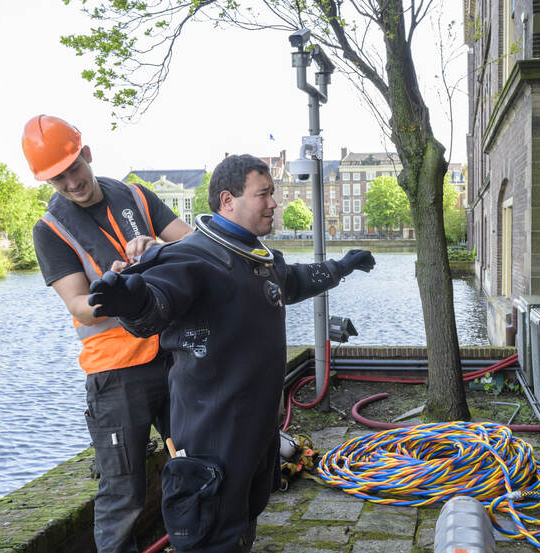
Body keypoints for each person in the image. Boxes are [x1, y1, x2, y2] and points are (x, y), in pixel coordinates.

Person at [87, 154, 375, 553]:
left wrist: (340, 267)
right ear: (228, 200)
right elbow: (157, 307)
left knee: (245, 519)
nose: (274, 203)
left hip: (255, 432)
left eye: (273, 193)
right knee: (212, 534)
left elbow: (289, 282)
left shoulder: (258, 258)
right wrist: (132, 304)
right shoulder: (191, 256)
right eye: (264, 194)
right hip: (213, 436)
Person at [23, 114, 193, 553]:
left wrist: (160, 246)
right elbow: (78, 304)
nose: (71, 182)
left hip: (173, 356)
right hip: (116, 377)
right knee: (123, 493)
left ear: (87, 153)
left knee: (194, 462)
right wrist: (110, 292)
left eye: (74, 168)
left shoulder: (135, 195)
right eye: (57, 178)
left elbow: (193, 243)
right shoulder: (50, 231)